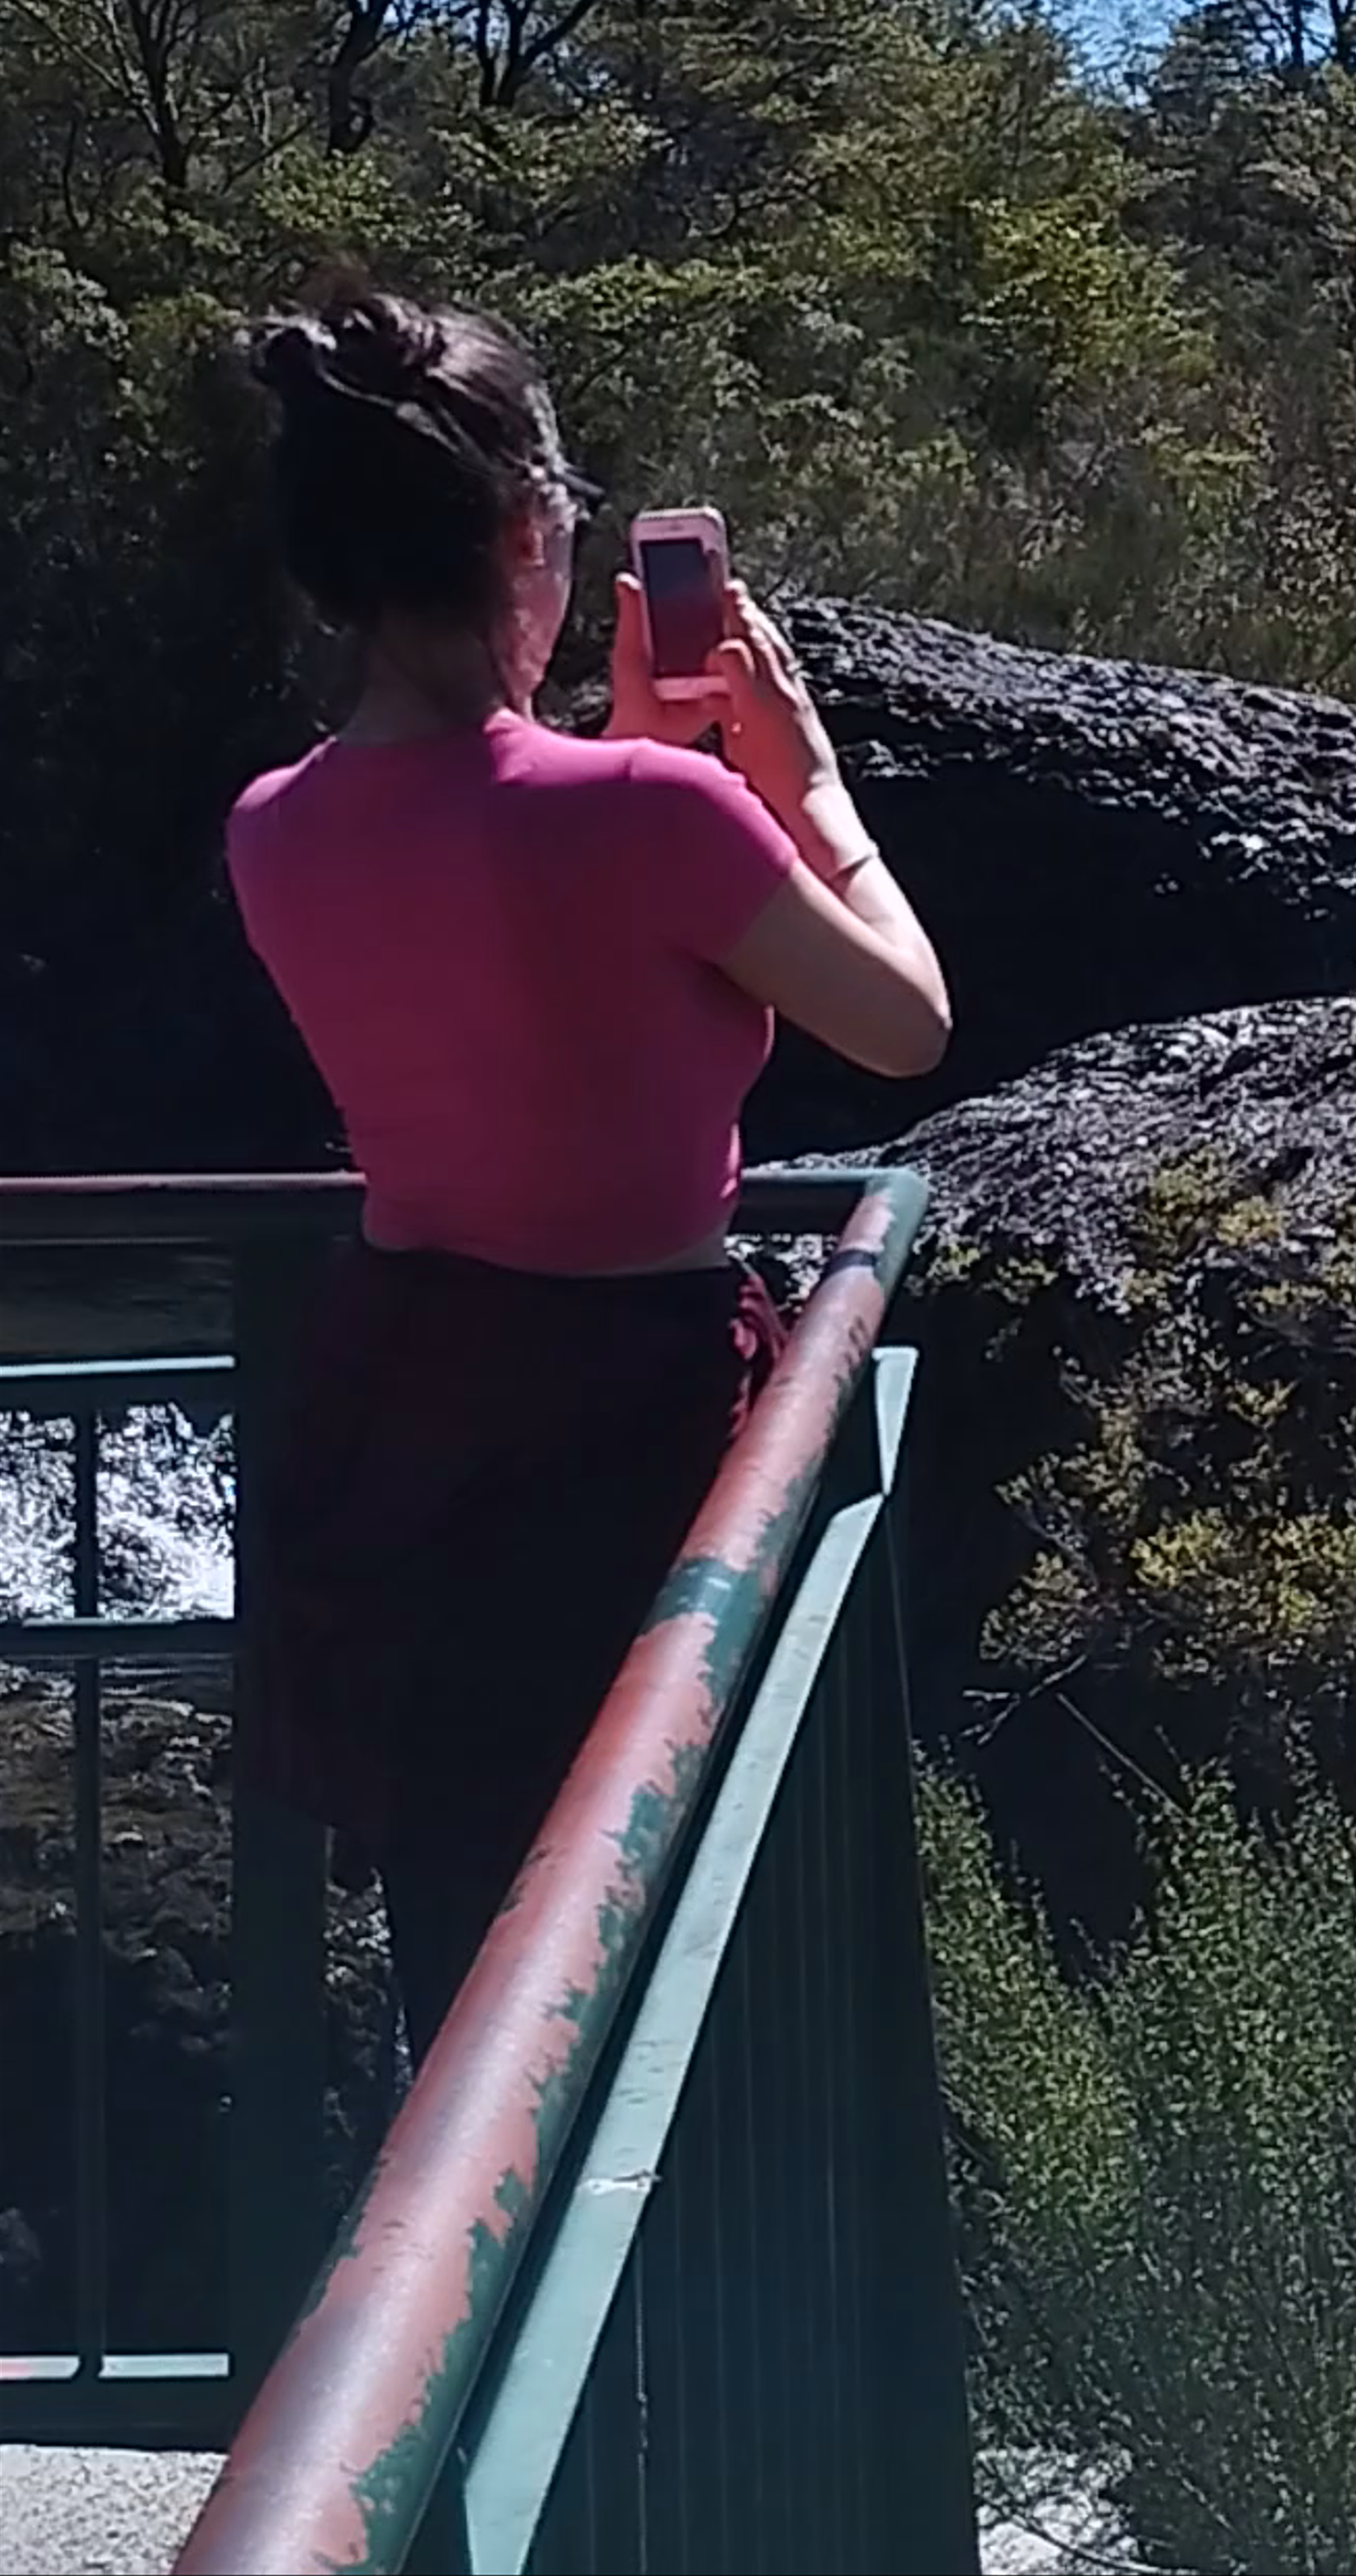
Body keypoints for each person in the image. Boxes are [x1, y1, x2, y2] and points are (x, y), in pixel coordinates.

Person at [223, 276, 949, 2061]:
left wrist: (627, 762)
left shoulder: (272, 830)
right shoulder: (654, 815)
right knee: (675, 1961)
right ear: (528, 534)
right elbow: (906, 1023)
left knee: (475, 1977)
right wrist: (804, 779)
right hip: (627, 1436)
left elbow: (507, 928)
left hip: (397, 1424)